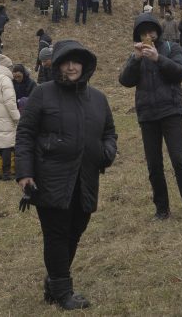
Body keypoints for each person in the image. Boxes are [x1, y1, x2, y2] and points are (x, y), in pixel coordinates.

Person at [15, 39, 117, 310]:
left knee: (76, 229)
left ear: (84, 65)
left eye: (76, 61)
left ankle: (54, 281)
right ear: (58, 65)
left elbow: (109, 132)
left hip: (86, 178)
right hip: (50, 177)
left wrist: (106, 152)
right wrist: (24, 172)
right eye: (65, 62)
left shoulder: (98, 98)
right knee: (57, 233)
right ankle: (62, 291)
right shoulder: (43, 94)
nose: (71, 67)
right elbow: (25, 133)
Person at [119, 13, 182, 220]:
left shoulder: (173, 48)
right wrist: (136, 60)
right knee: (154, 165)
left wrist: (158, 59)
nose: (148, 36)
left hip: (171, 110)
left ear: (158, 31)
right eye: (144, 32)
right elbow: (125, 81)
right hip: (147, 115)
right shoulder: (135, 55)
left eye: (151, 31)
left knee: (178, 159)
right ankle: (162, 209)